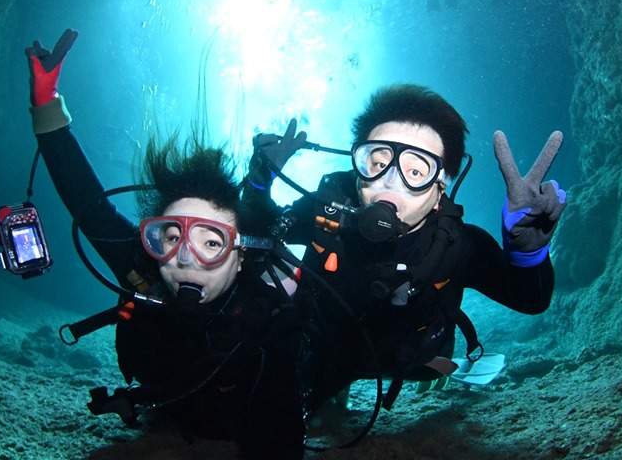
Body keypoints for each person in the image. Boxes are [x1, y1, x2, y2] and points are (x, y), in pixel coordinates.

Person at [25, 29, 304, 459]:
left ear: (240, 253)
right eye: (172, 236)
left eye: (212, 241)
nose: (185, 257)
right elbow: (88, 204)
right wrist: (47, 106)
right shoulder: (144, 269)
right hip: (166, 404)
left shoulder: (266, 307)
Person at [241, 84, 567, 410]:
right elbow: (256, 236)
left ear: (440, 190)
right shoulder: (326, 212)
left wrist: (527, 251)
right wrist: (258, 183)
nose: (391, 180)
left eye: (415, 171)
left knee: (431, 362)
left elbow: (530, 299)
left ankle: (443, 367)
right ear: (358, 170)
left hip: (417, 358)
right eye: (378, 162)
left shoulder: (458, 245)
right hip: (331, 352)